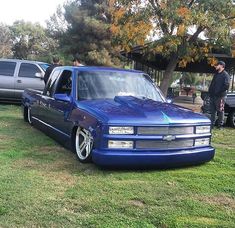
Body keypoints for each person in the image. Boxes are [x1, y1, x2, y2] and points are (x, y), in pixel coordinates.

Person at [208, 60, 231, 129]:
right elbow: (212, 84)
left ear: (221, 66)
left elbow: (226, 86)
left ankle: (220, 125)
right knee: (213, 111)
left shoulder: (225, 75)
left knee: (220, 111)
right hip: (213, 96)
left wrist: (218, 92)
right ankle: (212, 125)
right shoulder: (216, 74)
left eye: (217, 65)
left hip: (220, 96)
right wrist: (210, 92)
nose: (215, 66)